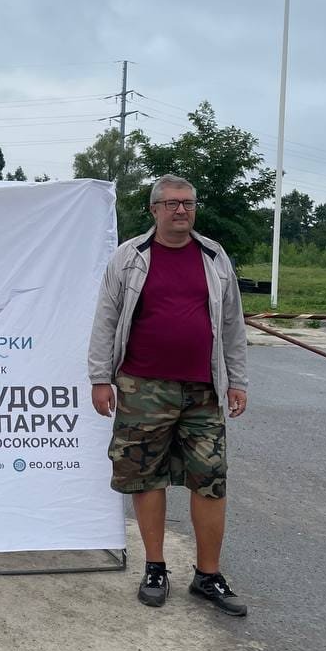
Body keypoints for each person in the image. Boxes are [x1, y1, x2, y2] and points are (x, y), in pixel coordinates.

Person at [88, 175, 249, 615]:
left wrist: (237, 380)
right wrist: (101, 377)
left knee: (211, 480)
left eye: (189, 203)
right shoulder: (130, 257)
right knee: (145, 477)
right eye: (172, 203)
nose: (182, 211)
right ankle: (155, 567)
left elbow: (233, 324)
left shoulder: (214, 256)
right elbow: (106, 319)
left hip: (204, 390)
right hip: (142, 386)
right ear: (154, 209)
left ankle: (208, 576)